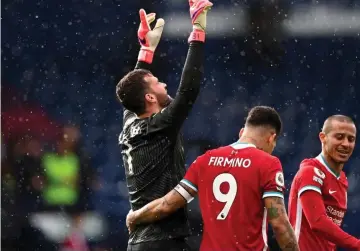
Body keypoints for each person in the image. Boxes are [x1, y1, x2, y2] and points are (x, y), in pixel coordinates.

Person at [126, 106, 300, 251]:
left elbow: (166, 205)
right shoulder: (268, 163)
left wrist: (136, 216)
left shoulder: (206, 160)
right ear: (272, 138)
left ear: (242, 132)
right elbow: (279, 224)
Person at [115, 0, 213, 250]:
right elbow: (188, 89)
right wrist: (198, 30)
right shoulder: (161, 124)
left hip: (139, 242)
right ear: (149, 98)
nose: (165, 85)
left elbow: (133, 90)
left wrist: (146, 51)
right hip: (163, 240)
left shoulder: (130, 123)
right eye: (158, 83)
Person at [287, 115, 360, 251]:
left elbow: (329, 236)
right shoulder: (310, 172)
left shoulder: (342, 179)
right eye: (339, 137)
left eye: (350, 139)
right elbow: (318, 222)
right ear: (323, 138)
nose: (346, 144)